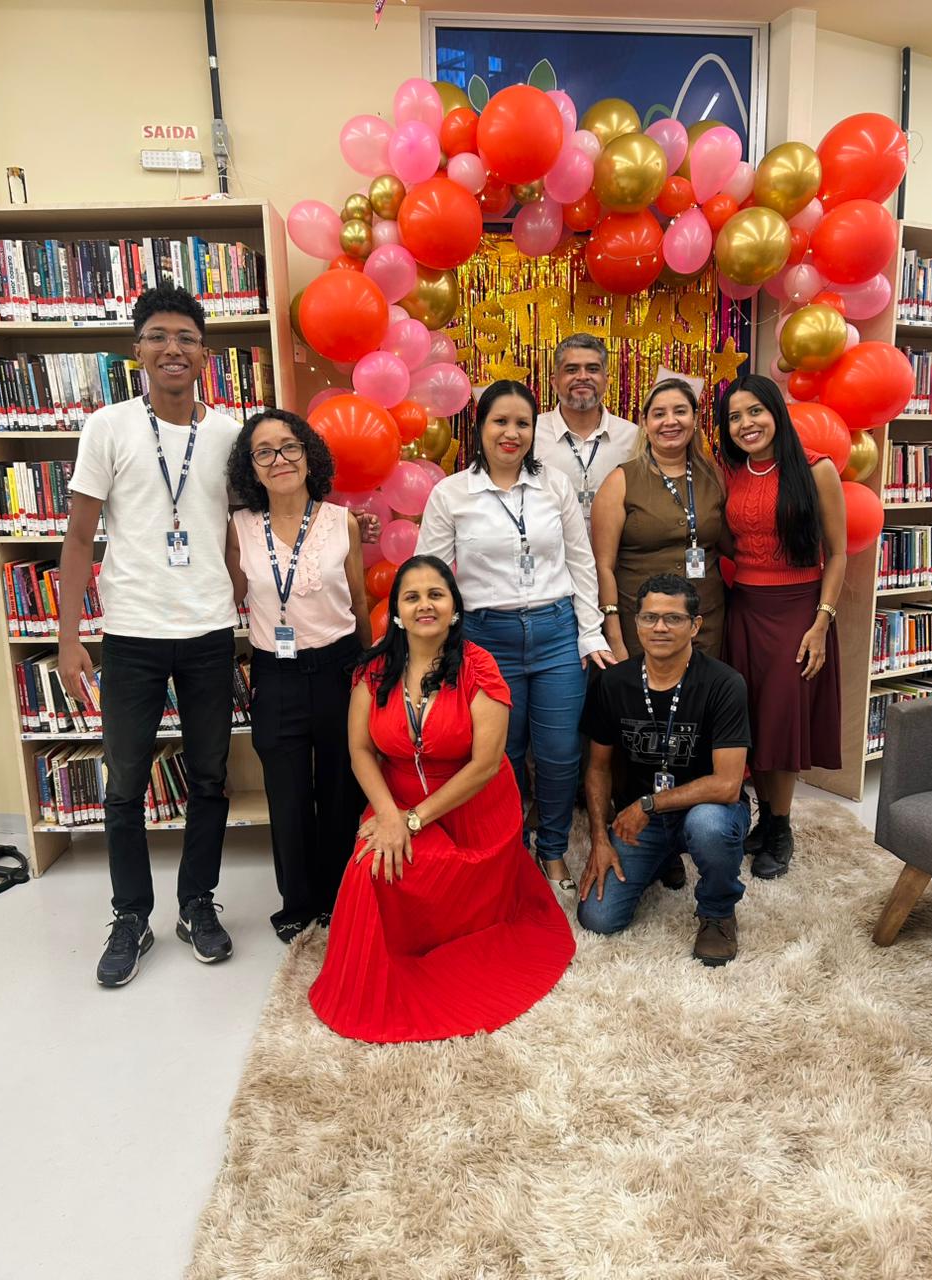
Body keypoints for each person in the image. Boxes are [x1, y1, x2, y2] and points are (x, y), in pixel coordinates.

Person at [308, 556, 576, 1043]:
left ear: (454, 608)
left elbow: (486, 764)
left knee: (417, 868)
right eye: (411, 597)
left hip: (473, 812)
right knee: (370, 868)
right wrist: (389, 815)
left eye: (436, 594)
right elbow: (360, 750)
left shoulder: (480, 666)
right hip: (396, 799)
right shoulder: (372, 671)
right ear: (396, 612)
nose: (424, 605)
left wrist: (412, 821)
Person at [59, 284, 238, 986]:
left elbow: (241, 533)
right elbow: (79, 538)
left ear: (204, 354)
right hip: (131, 631)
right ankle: (131, 915)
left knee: (211, 777)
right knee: (125, 782)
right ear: (137, 350)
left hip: (209, 628)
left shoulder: (228, 434)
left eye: (186, 337)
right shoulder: (107, 427)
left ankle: (196, 903)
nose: (173, 348)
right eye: (158, 336)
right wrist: (69, 638)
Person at [416, 380, 614, 893]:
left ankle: (552, 847)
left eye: (522, 423)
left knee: (559, 753)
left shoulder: (555, 486)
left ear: (534, 430)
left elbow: (581, 562)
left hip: (556, 633)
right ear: (479, 427)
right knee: (501, 755)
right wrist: (434, 649)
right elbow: (429, 576)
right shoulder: (451, 493)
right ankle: (508, 848)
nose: (511, 433)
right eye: (499, 421)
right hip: (486, 640)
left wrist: (590, 633)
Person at [225, 410, 370, 943]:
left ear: (309, 455)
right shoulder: (239, 528)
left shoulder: (342, 522)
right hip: (275, 676)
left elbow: (358, 602)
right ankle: (297, 902)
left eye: (289, 447)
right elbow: (229, 599)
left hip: (338, 669)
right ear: (251, 468)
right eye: (263, 452)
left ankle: (337, 896)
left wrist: (370, 671)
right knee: (285, 796)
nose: (279, 459)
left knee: (340, 789)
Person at [578, 575, 751, 966]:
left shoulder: (725, 684)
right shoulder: (614, 682)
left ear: (695, 625)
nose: (659, 627)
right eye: (649, 617)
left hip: (704, 809)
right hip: (643, 821)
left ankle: (718, 912)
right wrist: (600, 839)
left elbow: (727, 785)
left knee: (709, 827)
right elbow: (598, 769)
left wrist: (649, 804)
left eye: (673, 618)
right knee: (598, 919)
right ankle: (663, 857)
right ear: (636, 623)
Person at [718, 374, 846, 879]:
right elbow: (729, 540)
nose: (746, 424)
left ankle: (782, 829)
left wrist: (821, 622)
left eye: (755, 411)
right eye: (734, 417)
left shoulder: (817, 470)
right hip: (745, 608)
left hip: (798, 611)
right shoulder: (731, 472)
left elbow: (838, 553)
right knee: (753, 718)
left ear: (776, 412)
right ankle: (766, 818)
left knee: (782, 718)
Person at [591, 377, 726, 663]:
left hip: (704, 623)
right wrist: (613, 635)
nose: (670, 421)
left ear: (694, 418)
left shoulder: (713, 475)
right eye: (659, 413)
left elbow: (731, 544)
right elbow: (603, 566)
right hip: (643, 625)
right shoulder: (620, 480)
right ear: (644, 422)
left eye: (680, 411)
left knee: (700, 690)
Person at [533, 333, 639, 536]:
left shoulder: (633, 437)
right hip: (550, 555)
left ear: (606, 380)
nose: (582, 376)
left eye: (592, 369)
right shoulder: (531, 435)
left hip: (617, 554)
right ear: (554, 382)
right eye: (571, 369)